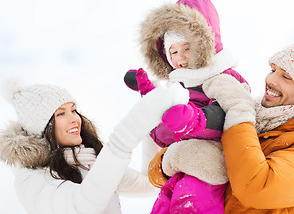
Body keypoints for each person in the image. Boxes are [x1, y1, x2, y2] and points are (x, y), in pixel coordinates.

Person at [148, 29, 294, 213]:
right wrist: (173, 159)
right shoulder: (255, 119)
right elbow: (158, 175)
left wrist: (238, 113)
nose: (271, 80)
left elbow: (256, 186)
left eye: (286, 77)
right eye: (273, 70)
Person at [124, 0, 249, 214]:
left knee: (190, 205)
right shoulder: (179, 88)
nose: (180, 58)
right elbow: (163, 136)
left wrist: (194, 120)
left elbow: (233, 116)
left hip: (210, 170)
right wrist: (152, 101)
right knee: (162, 207)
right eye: (173, 51)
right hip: (179, 168)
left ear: (204, 44)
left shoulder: (222, 77)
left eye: (187, 48)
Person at [0, 78, 189, 214]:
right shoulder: (30, 179)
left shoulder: (90, 160)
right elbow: (82, 206)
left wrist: (151, 122)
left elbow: (148, 184)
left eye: (74, 110)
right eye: (61, 114)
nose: (74, 119)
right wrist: (125, 136)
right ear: (41, 128)